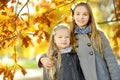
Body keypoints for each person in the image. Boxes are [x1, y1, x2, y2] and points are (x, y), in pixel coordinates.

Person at [38, 2, 120, 80]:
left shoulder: (98, 35)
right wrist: (42, 58)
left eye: (85, 14)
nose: (81, 17)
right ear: (73, 16)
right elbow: (57, 50)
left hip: (102, 77)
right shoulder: (70, 36)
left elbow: (111, 61)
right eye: (77, 14)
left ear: (90, 17)